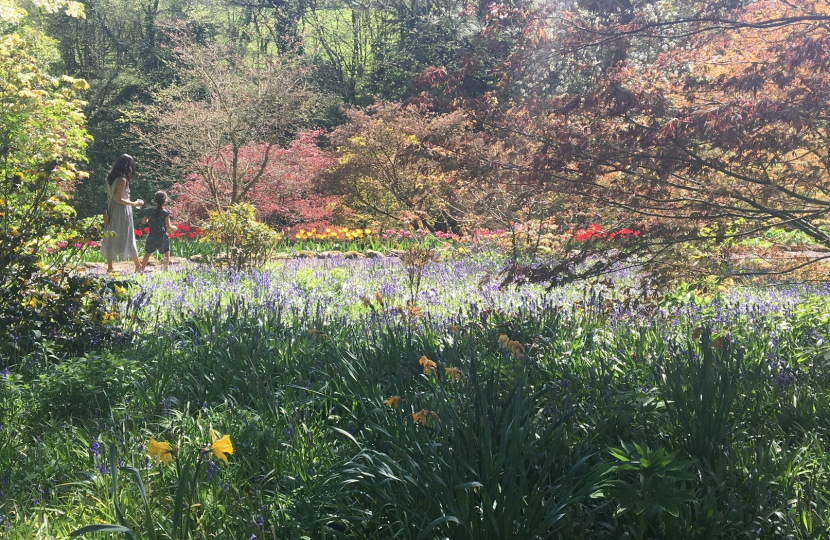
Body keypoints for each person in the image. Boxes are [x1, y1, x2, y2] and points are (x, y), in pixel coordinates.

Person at [100, 154, 144, 272]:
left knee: (112, 234)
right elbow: (120, 199)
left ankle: (110, 267)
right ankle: (138, 266)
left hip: (112, 209)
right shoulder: (122, 180)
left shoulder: (110, 177)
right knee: (128, 236)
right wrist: (134, 204)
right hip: (122, 211)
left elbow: (110, 197)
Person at [140, 190, 172, 271]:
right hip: (162, 236)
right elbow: (168, 227)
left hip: (152, 235)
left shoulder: (149, 211)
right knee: (166, 253)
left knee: (147, 253)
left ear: (155, 200)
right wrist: (173, 227)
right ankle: (165, 269)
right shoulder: (165, 213)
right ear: (165, 201)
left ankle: (142, 269)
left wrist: (149, 221)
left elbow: (143, 221)